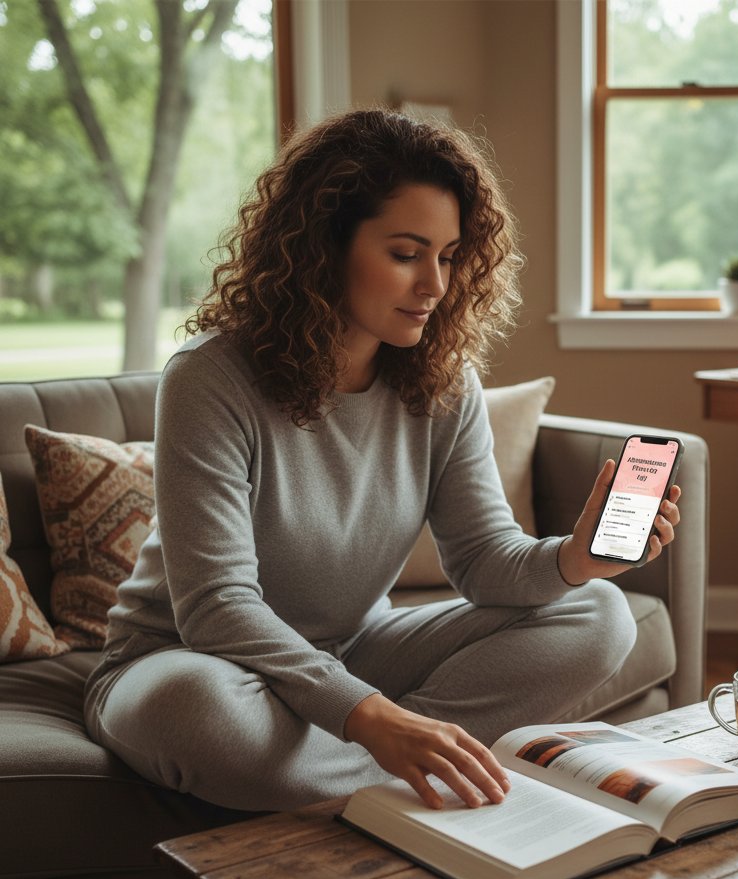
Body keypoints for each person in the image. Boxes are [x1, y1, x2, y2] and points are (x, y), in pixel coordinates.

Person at [84, 109, 682, 813]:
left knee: (599, 612)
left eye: (450, 256)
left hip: (352, 650)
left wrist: (574, 559)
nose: (436, 284)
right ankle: (402, 769)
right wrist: (370, 717)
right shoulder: (211, 378)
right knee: (200, 712)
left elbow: (484, 561)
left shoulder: (443, 384)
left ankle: (372, 770)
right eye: (406, 253)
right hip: (195, 661)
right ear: (323, 246)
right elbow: (216, 608)